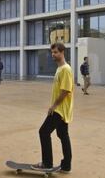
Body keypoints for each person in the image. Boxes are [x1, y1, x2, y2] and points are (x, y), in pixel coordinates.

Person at [31, 42, 73, 173]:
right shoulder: (60, 69)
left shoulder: (65, 69)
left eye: (55, 52)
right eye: (52, 52)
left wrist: (53, 106)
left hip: (59, 110)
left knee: (43, 132)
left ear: (62, 52)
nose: (53, 55)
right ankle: (66, 166)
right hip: (62, 109)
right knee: (63, 135)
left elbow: (65, 90)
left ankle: (47, 163)